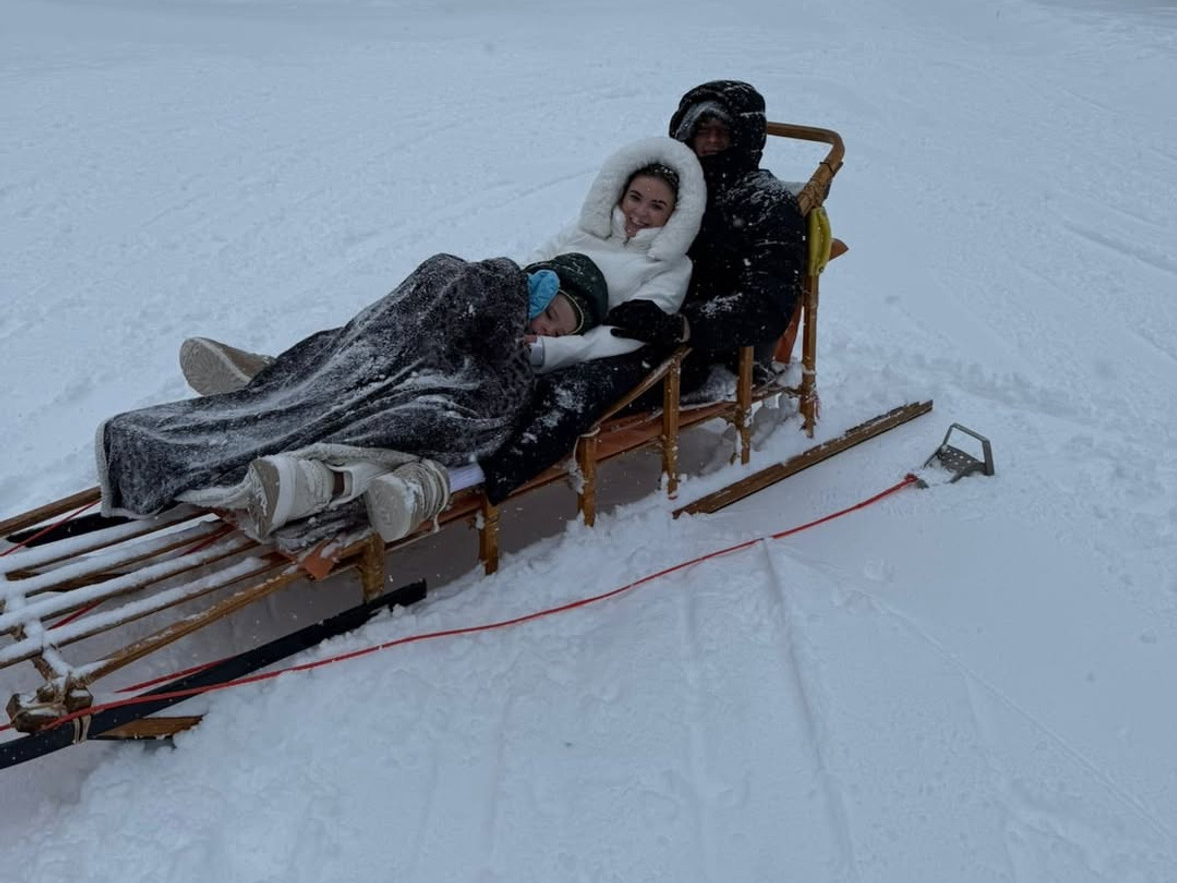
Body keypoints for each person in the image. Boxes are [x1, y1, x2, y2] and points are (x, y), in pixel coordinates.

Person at [99, 137, 705, 545]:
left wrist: (544, 348)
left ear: (676, 217)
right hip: (498, 329)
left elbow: (623, 339)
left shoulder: (665, 270)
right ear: (615, 194)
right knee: (447, 282)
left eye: (658, 206)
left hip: (532, 356)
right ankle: (305, 372)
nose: (641, 213)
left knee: (428, 370)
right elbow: (515, 279)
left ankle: (311, 399)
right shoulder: (577, 232)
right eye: (635, 198)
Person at [471, 80, 807, 504]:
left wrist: (682, 325)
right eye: (700, 129)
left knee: (569, 384)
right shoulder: (677, 186)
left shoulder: (767, 204)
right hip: (619, 311)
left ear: (749, 137)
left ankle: (481, 481)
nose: (710, 142)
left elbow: (766, 307)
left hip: (702, 348)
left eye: (724, 132)